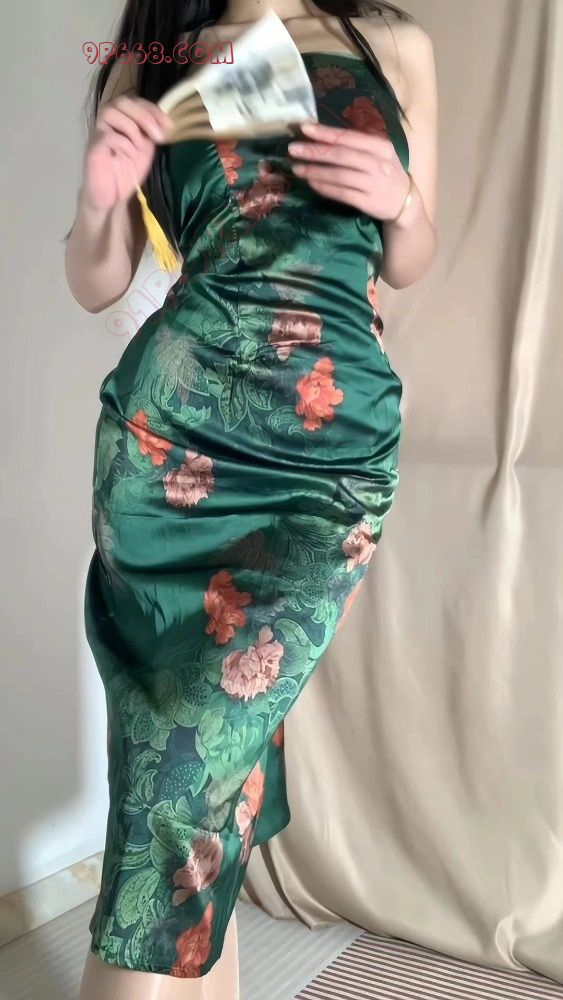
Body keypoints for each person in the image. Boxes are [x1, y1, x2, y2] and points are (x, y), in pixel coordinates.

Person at [65, 1, 438, 997]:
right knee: (182, 781)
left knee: (187, 774)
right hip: (170, 449)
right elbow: (96, 277)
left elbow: (409, 257)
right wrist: (102, 202)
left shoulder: (391, 45)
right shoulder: (150, 55)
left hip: (327, 458)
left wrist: (401, 202)